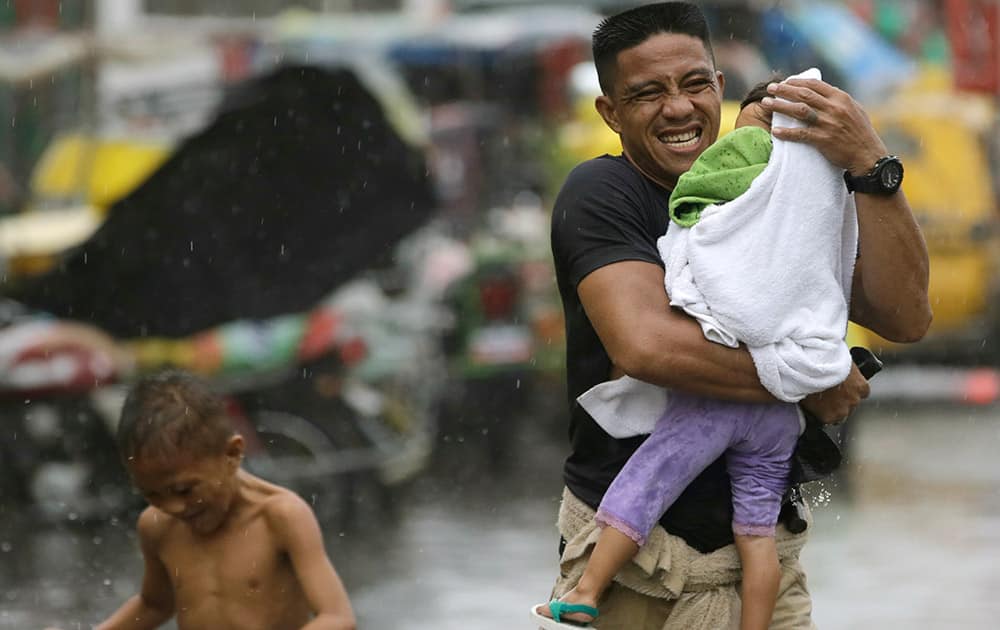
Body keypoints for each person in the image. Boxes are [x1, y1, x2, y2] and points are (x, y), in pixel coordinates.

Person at [537, 2, 931, 629]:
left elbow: (906, 318)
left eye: (695, 84)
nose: (678, 107)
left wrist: (872, 166)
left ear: (720, 90)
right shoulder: (602, 192)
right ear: (610, 113)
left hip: (763, 562)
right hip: (640, 565)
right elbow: (645, 348)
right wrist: (814, 378)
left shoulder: (780, 191)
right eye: (647, 93)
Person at [95, 370, 357, 630]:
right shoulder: (156, 526)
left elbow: (337, 618)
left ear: (232, 454)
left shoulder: (281, 516)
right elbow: (154, 605)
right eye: (151, 494)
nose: (172, 507)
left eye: (185, 490)